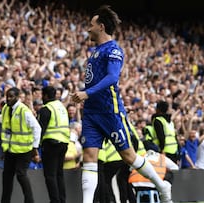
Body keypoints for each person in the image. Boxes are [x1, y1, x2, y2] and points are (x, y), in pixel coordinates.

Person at [70, 5, 173, 203]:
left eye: (91, 25)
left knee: (129, 156)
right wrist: (87, 97)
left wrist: (86, 93)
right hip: (91, 112)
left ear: (101, 26)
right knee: (89, 156)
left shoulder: (114, 50)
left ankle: (162, 185)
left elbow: (112, 77)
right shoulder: (95, 51)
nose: (88, 28)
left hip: (110, 111)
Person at [1, 87, 41, 203]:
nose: (8, 99)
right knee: (7, 177)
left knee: (21, 174)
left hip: (24, 150)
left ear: (18, 97)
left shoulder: (24, 110)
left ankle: (29, 201)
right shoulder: (5, 109)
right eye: (7, 96)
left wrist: (34, 147)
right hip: (10, 149)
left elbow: (37, 128)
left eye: (11, 96)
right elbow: (6, 129)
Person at [37, 86, 70, 203]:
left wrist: (36, 146)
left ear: (45, 96)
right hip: (64, 143)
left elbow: (41, 129)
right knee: (59, 174)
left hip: (51, 143)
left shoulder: (46, 108)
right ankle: (62, 200)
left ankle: (55, 201)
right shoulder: (61, 107)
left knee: (50, 175)